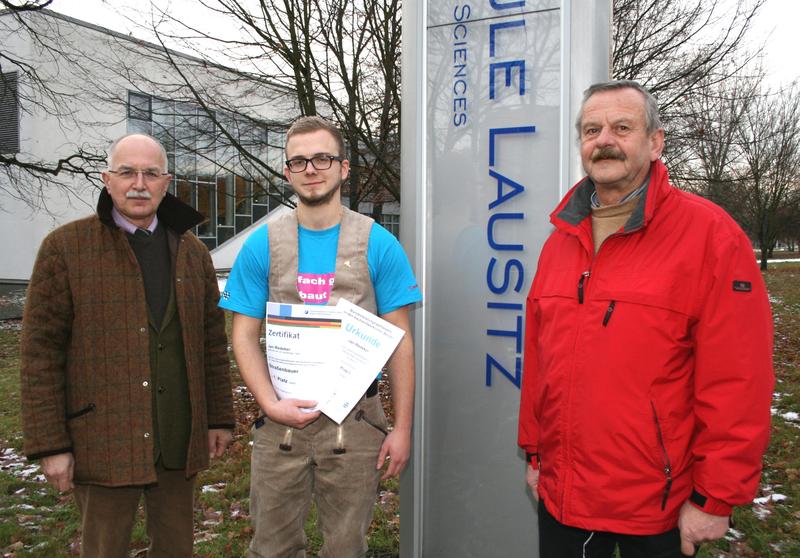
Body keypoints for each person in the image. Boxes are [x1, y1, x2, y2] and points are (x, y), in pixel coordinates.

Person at [517, 80, 774, 558]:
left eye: (622, 127)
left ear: (655, 142)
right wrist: (535, 454)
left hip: (657, 508)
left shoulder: (711, 237)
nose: (604, 140)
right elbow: (540, 361)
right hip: (563, 498)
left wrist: (715, 498)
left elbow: (739, 381)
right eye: (592, 129)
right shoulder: (560, 240)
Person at [20, 133, 235, 557]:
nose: (139, 183)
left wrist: (219, 419)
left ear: (166, 182)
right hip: (101, 441)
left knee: (176, 549)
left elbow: (211, 342)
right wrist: (51, 445)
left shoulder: (192, 253)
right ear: (107, 179)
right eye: (127, 172)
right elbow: (39, 355)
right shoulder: (66, 248)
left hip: (177, 437)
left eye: (151, 173)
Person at [220, 115, 421, 558]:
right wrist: (269, 404)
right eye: (299, 161)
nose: (311, 169)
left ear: (344, 168)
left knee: (347, 548)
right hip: (280, 427)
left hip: (356, 424)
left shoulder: (378, 243)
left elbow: (400, 341)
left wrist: (402, 428)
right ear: (288, 172)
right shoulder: (262, 244)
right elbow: (243, 336)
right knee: (271, 547)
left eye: (323, 158)